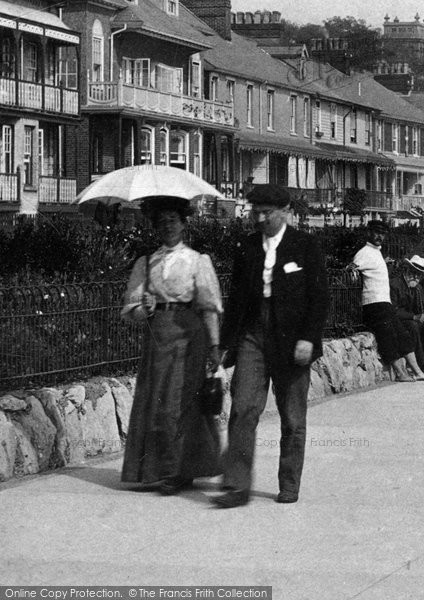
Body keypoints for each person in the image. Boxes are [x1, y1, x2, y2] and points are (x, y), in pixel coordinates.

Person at [212, 184, 328, 509]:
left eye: (267, 213)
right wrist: (225, 343)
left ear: (285, 212)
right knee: (243, 408)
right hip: (253, 336)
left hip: (292, 339)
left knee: (292, 416)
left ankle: (289, 483)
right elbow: (235, 300)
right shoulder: (247, 247)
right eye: (256, 211)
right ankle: (235, 485)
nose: (260, 218)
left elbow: (319, 299)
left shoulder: (305, 246)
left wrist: (308, 337)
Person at [121, 196, 223, 495]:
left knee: (180, 401)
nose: (168, 226)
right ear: (155, 226)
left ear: (184, 223)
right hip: (158, 336)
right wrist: (146, 307)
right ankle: (158, 470)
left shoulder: (197, 260)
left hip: (190, 335)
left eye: (173, 220)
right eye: (162, 221)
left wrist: (215, 346)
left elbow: (208, 307)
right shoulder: (146, 262)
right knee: (156, 401)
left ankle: (178, 472)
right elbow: (132, 311)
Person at [350, 221, 424, 382]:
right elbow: (350, 270)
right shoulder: (364, 253)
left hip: (384, 302)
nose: (379, 237)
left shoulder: (377, 253)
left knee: (402, 335)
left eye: (382, 233)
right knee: (387, 337)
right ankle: (401, 374)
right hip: (373, 303)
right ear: (368, 233)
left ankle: (418, 371)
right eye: (376, 232)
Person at [390, 255, 424, 370]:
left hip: (412, 319)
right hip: (397, 321)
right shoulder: (395, 285)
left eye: (419, 275)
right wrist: (414, 316)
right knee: (413, 326)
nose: (415, 277)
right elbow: (393, 310)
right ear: (406, 270)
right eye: (413, 273)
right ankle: (420, 365)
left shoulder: (418, 288)